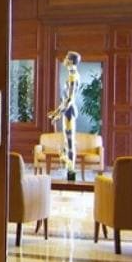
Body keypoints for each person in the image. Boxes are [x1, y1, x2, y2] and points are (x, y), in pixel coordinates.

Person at [48, 50, 81, 181]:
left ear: (71, 61)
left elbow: (70, 99)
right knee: (67, 143)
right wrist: (56, 112)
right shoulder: (71, 75)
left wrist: (58, 114)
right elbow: (65, 100)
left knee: (70, 143)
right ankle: (70, 171)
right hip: (66, 111)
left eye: (66, 57)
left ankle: (71, 173)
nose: (64, 59)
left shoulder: (73, 76)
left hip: (69, 112)